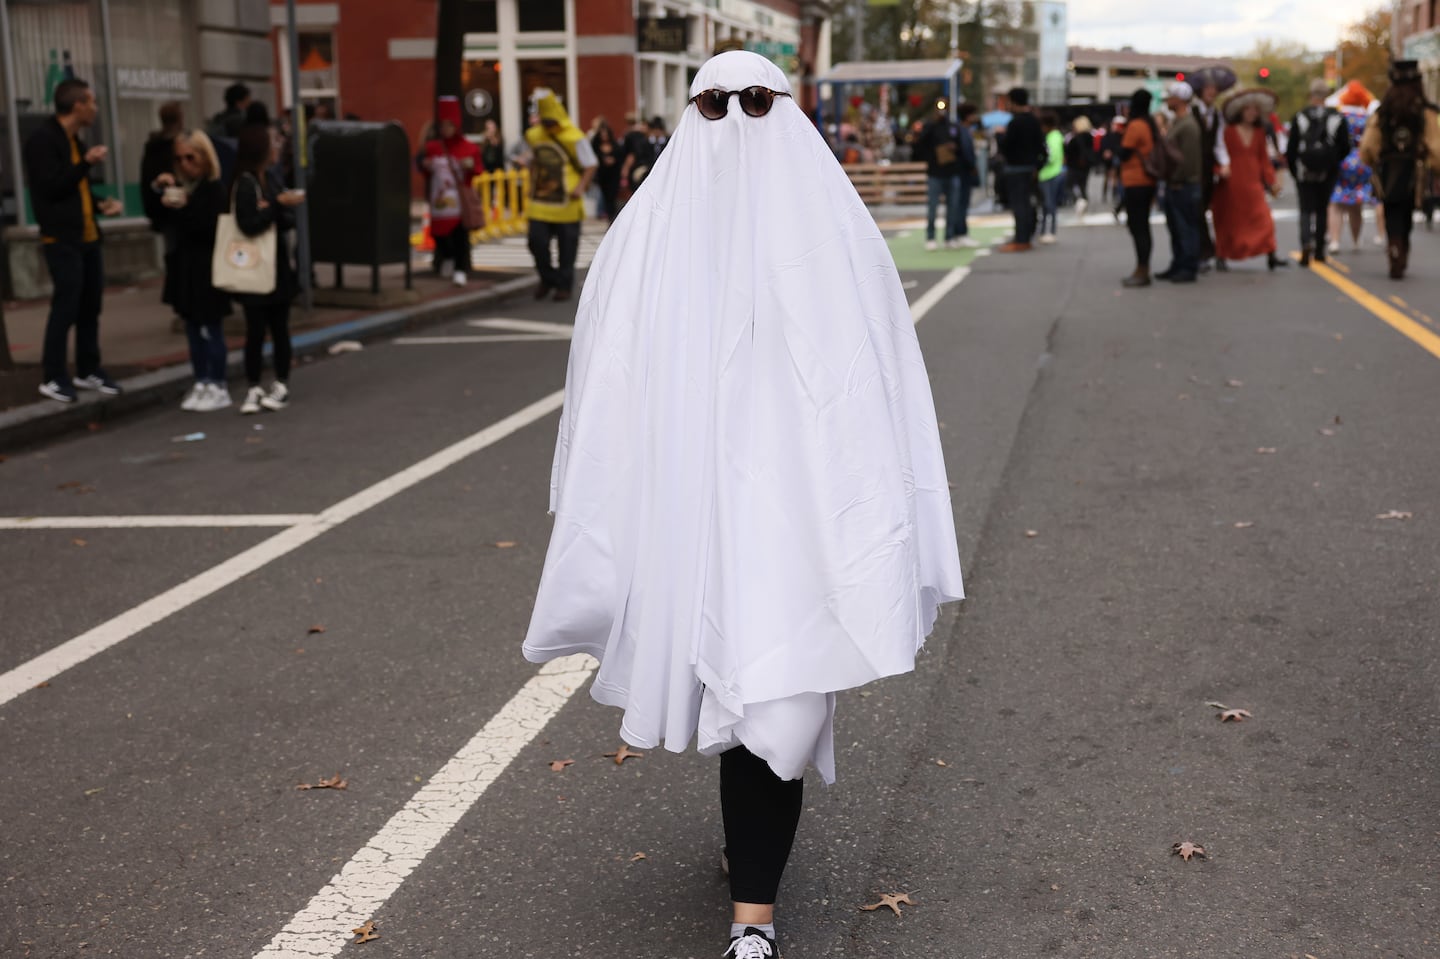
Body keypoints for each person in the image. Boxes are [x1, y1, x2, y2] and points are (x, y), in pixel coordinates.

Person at [521, 51, 964, 959]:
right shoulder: (646, 242)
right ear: (691, 114)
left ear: (786, 110)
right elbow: (607, 396)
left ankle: (751, 920)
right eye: (714, 104)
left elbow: (875, 384)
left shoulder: (835, 238)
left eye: (755, 101)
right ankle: (750, 869)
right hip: (691, 519)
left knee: (779, 710)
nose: (734, 120)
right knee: (729, 693)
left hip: (798, 525)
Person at [22, 77, 126, 403]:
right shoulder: (43, 141)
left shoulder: (75, 141)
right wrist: (86, 164)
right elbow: (51, 188)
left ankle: (88, 369)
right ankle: (53, 375)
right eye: (92, 102)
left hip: (87, 235)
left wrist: (99, 205)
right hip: (61, 238)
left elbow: (76, 189)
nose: (95, 108)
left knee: (90, 306)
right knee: (65, 306)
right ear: (77, 105)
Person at [152, 130, 233, 411]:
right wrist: (164, 193)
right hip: (186, 266)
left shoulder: (213, 190)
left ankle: (218, 382)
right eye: (180, 159)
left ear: (205, 158)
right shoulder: (187, 189)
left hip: (207, 268)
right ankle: (202, 380)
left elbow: (208, 228)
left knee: (210, 327)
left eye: (191, 157)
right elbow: (162, 220)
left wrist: (184, 207)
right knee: (192, 327)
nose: (185, 164)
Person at [231, 123, 305, 415]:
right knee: (255, 330)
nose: (276, 149)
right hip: (254, 268)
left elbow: (284, 219)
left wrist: (279, 206)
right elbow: (248, 224)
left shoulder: (271, 179)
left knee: (280, 328)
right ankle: (253, 386)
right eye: (272, 144)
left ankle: (281, 383)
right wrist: (274, 206)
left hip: (277, 267)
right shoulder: (246, 183)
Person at [1359, 60, 1440, 279]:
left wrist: (1371, 161)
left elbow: (1368, 146)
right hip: (1416, 169)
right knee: (1407, 212)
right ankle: (1402, 248)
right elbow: (1435, 145)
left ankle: (1394, 248)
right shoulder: (1426, 112)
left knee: (1391, 209)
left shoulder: (1382, 112)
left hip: (1388, 169)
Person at [523, 89, 597, 302]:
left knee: (567, 247)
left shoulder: (574, 137)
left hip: (567, 202)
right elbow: (535, 159)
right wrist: (530, 177)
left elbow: (590, 164)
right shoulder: (534, 135)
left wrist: (581, 187)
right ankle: (548, 278)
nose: (547, 126)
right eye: (544, 122)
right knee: (536, 241)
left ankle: (563, 285)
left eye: (550, 121)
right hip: (541, 200)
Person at [1212, 89, 1285, 272]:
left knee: (1263, 218)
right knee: (1228, 221)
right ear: (1240, 111)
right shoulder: (1227, 132)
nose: (1252, 113)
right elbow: (1217, 153)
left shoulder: (1259, 132)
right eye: (1248, 109)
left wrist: (1271, 180)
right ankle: (1222, 255)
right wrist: (1220, 169)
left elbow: (1263, 159)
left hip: (1253, 182)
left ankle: (1271, 253)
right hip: (1231, 183)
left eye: (1255, 110)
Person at [420, 96, 482, 287]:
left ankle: (460, 270)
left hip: (459, 200)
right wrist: (425, 165)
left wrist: (469, 166)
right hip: (440, 200)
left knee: (460, 236)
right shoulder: (432, 147)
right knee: (439, 234)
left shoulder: (468, 147)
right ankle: (446, 258)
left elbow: (478, 169)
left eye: (449, 125)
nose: (446, 129)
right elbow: (421, 167)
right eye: (443, 125)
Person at [1286, 79, 1349, 266]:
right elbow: (1345, 146)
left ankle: (1306, 241)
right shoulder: (1336, 117)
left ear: (1311, 95)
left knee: (1305, 209)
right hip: (1327, 170)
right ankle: (1320, 249)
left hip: (1304, 170)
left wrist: (1293, 169)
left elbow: (1291, 147)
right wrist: (1333, 161)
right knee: (1322, 209)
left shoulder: (1300, 116)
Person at [1156, 82, 1204, 283]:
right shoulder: (1179, 122)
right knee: (1177, 228)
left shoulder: (1188, 125)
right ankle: (1178, 264)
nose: (1167, 100)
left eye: (1170, 97)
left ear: (1180, 100)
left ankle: (1188, 266)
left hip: (1184, 185)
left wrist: (1176, 178)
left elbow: (1188, 160)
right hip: (1177, 184)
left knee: (1186, 228)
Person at [1329, 81, 1381, 255]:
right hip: (1362, 162)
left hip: (1341, 160)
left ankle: (1335, 240)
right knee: (1356, 205)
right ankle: (1356, 240)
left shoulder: (1338, 116)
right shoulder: (1367, 118)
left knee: (1336, 203)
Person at [914, 105, 974, 250]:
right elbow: (920, 145)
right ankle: (930, 237)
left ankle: (949, 236)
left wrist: (954, 148)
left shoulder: (954, 127)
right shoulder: (930, 127)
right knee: (933, 207)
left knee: (953, 207)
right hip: (935, 173)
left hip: (952, 172)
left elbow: (961, 147)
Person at [1191, 74, 1230, 271]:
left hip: (1207, 168)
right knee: (1197, 211)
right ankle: (1205, 251)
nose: (1212, 92)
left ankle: (1208, 251)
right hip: (1192, 167)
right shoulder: (1191, 111)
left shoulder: (1216, 115)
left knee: (1205, 208)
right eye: (1208, 88)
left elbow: (1219, 143)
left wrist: (1224, 163)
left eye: (1214, 89)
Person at [1118, 91, 1158, 287]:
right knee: (1143, 225)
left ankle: (1142, 269)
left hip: (1136, 181)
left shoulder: (1135, 125)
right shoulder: (1150, 124)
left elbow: (1124, 153)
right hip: (1147, 182)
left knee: (1138, 226)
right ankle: (1143, 268)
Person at [997, 87, 1043, 252]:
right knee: (1027, 203)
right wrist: (1037, 167)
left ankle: (1021, 239)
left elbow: (1006, 146)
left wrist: (1000, 136)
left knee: (1019, 205)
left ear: (1013, 101)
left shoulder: (1015, 122)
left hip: (1015, 168)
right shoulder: (1034, 120)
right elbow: (1041, 146)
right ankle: (1025, 236)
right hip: (1030, 168)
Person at [1036, 109, 1065, 243]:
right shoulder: (1057, 136)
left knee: (1048, 204)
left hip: (1049, 174)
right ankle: (1048, 231)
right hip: (1054, 173)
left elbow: (1051, 157)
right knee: (1049, 204)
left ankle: (1048, 231)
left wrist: (1039, 164)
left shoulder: (1052, 137)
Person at [589, 116, 623, 222]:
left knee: (612, 196)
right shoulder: (596, 146)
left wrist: (613, 161)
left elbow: (620, 157)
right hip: (603, 175)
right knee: (605, 197)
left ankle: (612, 217)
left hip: (614, 175)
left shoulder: (615, 145)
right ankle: (609, 215)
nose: (604, 137)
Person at [618, 111, 655, 199]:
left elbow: (632, 155)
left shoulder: (633, 136)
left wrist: (625, 169)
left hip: (640, 168)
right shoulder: (639, 137)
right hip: (647, 167)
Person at [1064, 115, 1094, 213]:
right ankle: (1084, 201)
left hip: (1074, 165)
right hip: (1086, 166)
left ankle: (1078, 201)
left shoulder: (1076, 138)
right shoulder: (1090, 137)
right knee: (1083, 185)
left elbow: (1069, 151)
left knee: (1069, 185)